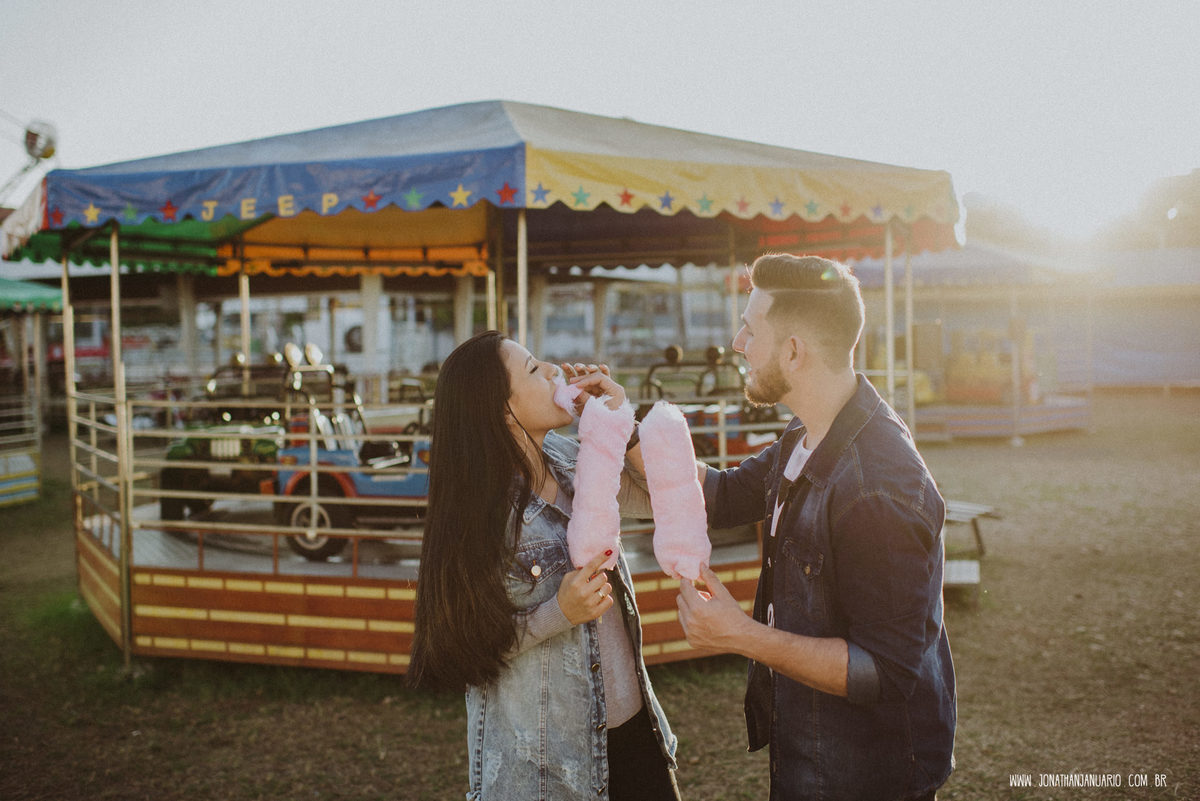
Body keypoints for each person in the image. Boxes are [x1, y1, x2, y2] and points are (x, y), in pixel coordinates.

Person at [675, 254, 956, 801]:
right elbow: (727, 494)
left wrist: (741, 635)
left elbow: (885, 672)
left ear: (794, 351)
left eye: (750, 329)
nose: (737, 343)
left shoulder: (879, 487)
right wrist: (626, 436)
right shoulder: (810, 430)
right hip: (813, 748)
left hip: (868, 775)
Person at [409, 331, 680, 801]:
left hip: (636, 738)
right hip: (546, 772)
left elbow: (663, 499)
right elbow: (458, 649)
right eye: (535, 369)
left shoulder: (576, 463)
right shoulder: (480, 514)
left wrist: (619, 422)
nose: (556, 370)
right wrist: (559, 612)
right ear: (498, 409)